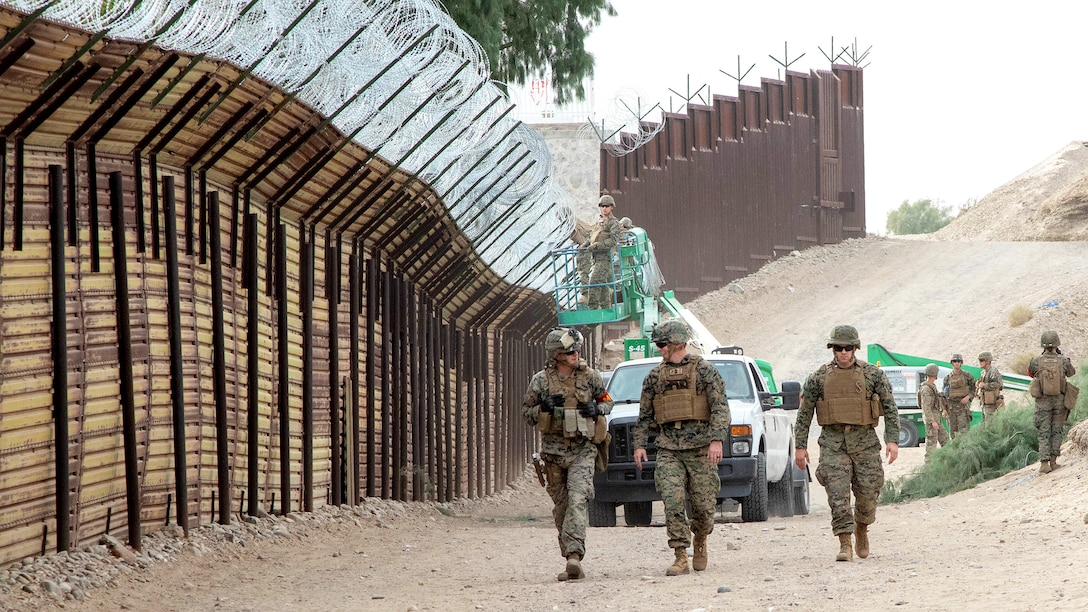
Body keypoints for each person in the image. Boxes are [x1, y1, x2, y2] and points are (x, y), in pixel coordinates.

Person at [632, 319, 729, 576]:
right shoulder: (654, 376)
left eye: (662, 344)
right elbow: (644, 415)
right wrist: (640, 445)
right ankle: (679, 555)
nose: (659, 348)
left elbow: (720, 407)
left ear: (677, 343)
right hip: (668, 448)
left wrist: (716, 440)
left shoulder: (705, 370)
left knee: (704, 507)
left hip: (699, 447)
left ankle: (700, 540)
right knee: (672, 501)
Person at [794, 325, 898, 562]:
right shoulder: (818, 378)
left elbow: (891, 408)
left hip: (865, 444)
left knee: (868, 494)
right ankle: (844, 542)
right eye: (838, 348)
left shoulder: (873, 375)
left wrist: (892, 440)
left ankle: (861, 528)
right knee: (837, 496)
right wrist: (800, 446)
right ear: (832, 349)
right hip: (833, 444)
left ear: (855, 348)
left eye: (847, 348)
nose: (843, 353)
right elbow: (804, 413)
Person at [521, 327, 613, 581]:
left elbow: (608, 402)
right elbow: (526, 414)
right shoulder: (540, 381)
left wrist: (595, 407)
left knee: (577, 498)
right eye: (570, 351)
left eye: (577, 350)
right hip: (553, 454)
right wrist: (543, 408)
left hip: (583, 450)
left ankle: (574, 555)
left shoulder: (590, 377)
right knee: (562, 508)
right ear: (557, 354)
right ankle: (570, 559)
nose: (576, 354)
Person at [1027, 331, 1077, 474]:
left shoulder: (1036, 361)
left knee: (1044, 432)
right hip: (1059, 400)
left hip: (1043, 401)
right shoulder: (1063, 360)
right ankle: (1054, 461)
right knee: (1056, 430)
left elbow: (1030, 372)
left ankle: (1044, 464)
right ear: (1057, 344)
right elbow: (1071, 372)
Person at [586, 195, 622, 309]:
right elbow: (593, 236)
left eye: (607, 206)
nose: (604, 208)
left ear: (612, 207)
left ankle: (593, 310)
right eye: (602, 206)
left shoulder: (613, 223)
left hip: (604, 259)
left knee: (594, 283)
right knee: (603, 286)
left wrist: (598, 245)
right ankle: (606, 308)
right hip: (595, 259)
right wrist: (587, 244)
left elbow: (613, 240)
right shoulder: (599, 222)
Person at [918, 363, 948, 462]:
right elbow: (926, 407)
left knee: (946, 441)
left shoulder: (931, 386)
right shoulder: (926, 389)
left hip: (936, 419)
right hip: (932, 422)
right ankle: (929, 467)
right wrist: (932, 421)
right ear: (935, 373)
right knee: (931, 446)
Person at [941, 354, 975, 437]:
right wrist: (944, 409)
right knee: (953, 434)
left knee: (964, 434)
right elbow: (944, 395)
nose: (957, 363)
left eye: (958, 361)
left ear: (961, 363)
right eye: (955, 361)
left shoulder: (967, 376)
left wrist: (968, 397)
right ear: (952, 363)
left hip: (962, 408)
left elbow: (974, 390)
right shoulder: (947, 378)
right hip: (951, 408)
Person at [976, 352, 1004, 420]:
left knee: (991, 426)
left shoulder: (993, 371)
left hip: (992, 405)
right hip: (984, 404)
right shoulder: (983, 372)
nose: (980, 362)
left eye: (982, 360)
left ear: (988, 361)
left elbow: (999, 385)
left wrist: (985, 385)